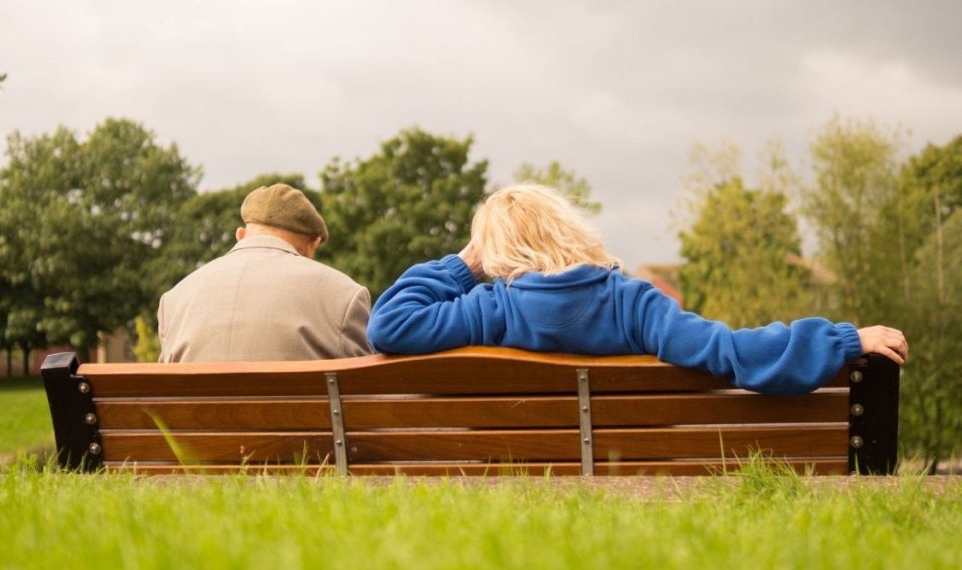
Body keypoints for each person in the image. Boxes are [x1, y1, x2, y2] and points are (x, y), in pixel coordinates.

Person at [366, 184, 908, 394]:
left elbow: (389, 324)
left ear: (497, 253)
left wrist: (464, 265)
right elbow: (729, 351)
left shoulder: (488, 308)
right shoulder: (633, 303)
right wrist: (840, 341)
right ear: (568, 229)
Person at [158, 183, 372, 362]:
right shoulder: (345, 295)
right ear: (312, 244)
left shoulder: (173, 300)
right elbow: (363, 395)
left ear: (241, 235)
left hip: (193, 415)